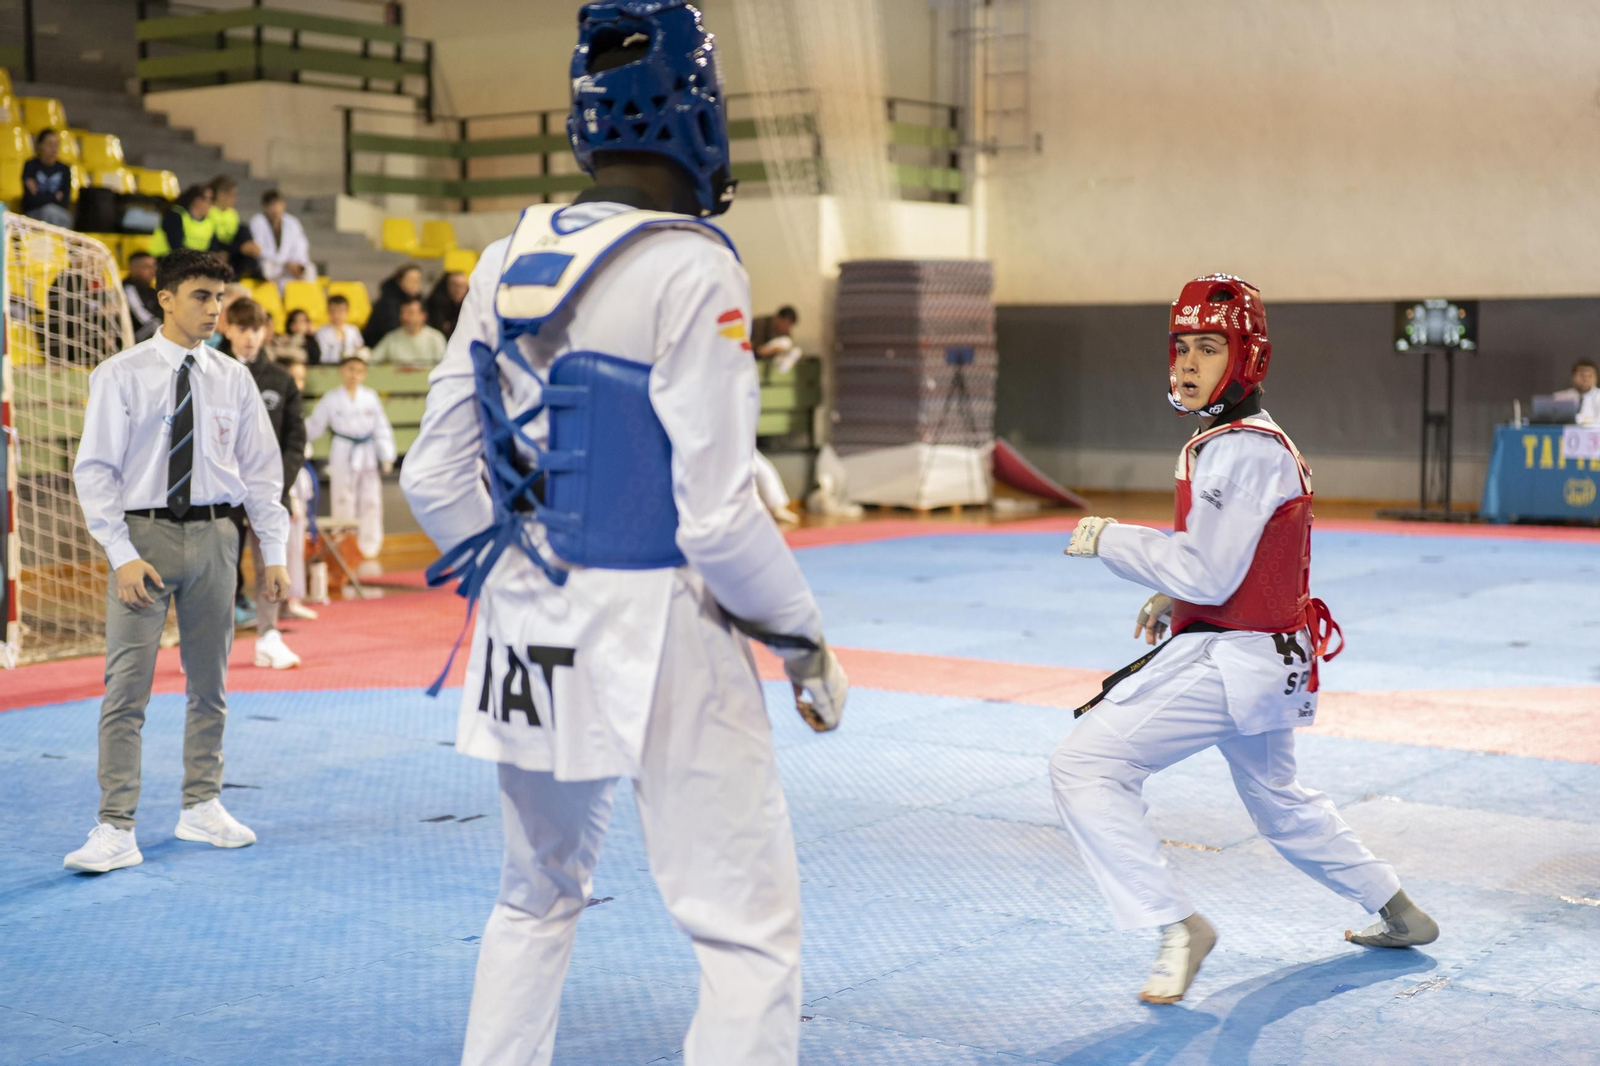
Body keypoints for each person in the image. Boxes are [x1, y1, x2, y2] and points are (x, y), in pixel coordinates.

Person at [400, 6, 848, 1064]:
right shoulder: (693, 266)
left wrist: (518, 580)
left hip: (524, 627)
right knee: (746, 932)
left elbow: (431, 474)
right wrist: (801, 636)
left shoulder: (503, 255)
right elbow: (719, 514)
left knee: (532, 899)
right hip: (660, 626)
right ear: (701, 115)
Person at [1052, 274, 1438, 1005]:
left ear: (1246, 357)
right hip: (1271, 658)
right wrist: (1175, 593)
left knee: (1084, 765)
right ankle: (1397, 908)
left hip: (1239, 663)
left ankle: (1176, 923)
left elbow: (1206, 566)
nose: (1188, 364)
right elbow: (1234, 563)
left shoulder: (1241, 450)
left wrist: (1111, 538)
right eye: (1181, 348)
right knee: (1280, 801)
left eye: (1208, 347)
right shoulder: (1240, 441)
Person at [65, 249, 290, 874]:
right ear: (165, 298)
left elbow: (262, 477)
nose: (214, 308)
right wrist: (120, 553)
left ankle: (201, 805)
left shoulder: (232, 377)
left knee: (210, 685)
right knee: (126, 688)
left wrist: (274, 553)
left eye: (219, 297)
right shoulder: (121, 374)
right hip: (144, 539)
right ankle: (115, 824)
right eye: (200, 296)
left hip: (219, 537)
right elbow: (95, 472)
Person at [218, 297, 307, 668]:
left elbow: (295, 440)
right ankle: (210, 643)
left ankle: (268, 635)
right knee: (219, 567)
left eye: (255, 329)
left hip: (267, 491)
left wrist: (276, 486)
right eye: (241, 328)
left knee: (270, 563)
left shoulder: (280, 380)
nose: (249, 337)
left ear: (265, 331)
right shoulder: (212, 372)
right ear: (227, 329)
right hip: (221, 491)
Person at [305, 351, 394, 562]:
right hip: (343, 450)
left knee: (371, 499)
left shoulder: (370, 397)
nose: (354, 375)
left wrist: (387, 455)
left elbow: (381, 427)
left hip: (367, 451)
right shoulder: (331, 398)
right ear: (342, 371)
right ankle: (344, 546)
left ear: (364, 374)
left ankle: (369, 546)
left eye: (359, 371)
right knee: (343, 497)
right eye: (351, 370)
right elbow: (315, 425)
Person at [279, 356, 319, 621]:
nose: (298, 384)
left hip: (298, 479)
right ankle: (282, 599)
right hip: (284, 482)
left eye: (302, 379)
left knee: (295, 544)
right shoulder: (276, 410)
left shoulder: (297, 408)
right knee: (284, 544)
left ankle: (292, 599)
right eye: (294, 377)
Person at [248, 189, 317, 286]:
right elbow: (259, 250)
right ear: (264, 206)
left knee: (310, 269)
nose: (275, 208)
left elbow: (301, 245)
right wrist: (285, 263)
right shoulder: (257, 222)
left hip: (291, 266)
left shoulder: (292, 222)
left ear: (284, 205)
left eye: (278, 204)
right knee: (266, 268)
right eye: (272, 205)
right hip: (272, 264)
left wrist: (295, 263)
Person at [206, 175, 263, 281]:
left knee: (244, 229)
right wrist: (240, 248)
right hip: (215, 248)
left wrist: (246, 246)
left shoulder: (232, 213)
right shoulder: (209, 211)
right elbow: (212, 238)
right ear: (221, 195)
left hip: (231, 249)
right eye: (232, 195)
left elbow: (235, 235)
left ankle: (253, 267)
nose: (235, 199)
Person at [371, 294, 447, 367]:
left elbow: (444, 366)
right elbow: (372, 361)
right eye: (402, 312)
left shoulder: (435, 338)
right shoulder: (391, 338)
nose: (405, 317)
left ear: (423, 316)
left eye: (410, 312)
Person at [149, 185, 219, 260]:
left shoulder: (209, 222)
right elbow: (176, 246)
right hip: (164, 259)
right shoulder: (175, 216)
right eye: (210, 200)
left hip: (191, 262)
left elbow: (213, 247)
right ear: (197, 200)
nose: (211, 204)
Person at [362, 262, 423, 348]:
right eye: (411, 280)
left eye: (418, 280)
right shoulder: (387, 303)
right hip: (380, 346)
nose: (415, 284)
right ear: (400, 282)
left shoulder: (419, 301)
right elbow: (391, 331)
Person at [22, 128, 73, 227]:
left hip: (58, 213)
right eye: (50, 144)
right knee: (48, 212)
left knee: (65, 216)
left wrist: (41, 197)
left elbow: (65, 202)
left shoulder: (64, 169)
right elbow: (31, 200)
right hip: (34, 213)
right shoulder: (30, 166)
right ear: (40, 145)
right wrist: (54, 197)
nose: (54, 149)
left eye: (56, 145)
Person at [123, 251, 163, 343]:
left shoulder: (152, 291)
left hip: (151, 334)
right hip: (133, 338)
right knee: (156, 324)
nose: (153, 271)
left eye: (154, 266)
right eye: (147, 267)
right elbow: (143, 318)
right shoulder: (128, 289)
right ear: (133, 268)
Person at [314, 295, 365, 364]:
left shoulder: (353, 330)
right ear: (328, 312)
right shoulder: (321, 332)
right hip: (328, 366)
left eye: (341, 311)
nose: (337, 315)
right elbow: (322, 355)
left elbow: (359, 349)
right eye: (333, 311)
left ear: (347, 312)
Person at [1555, 358, 1600, 425]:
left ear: (1596, 378)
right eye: (1582, 375)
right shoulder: (1560, 398)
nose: (1586, 379)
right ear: (1573, 377)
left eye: (1590, 376)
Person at [426, 270, 469, 337]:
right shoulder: (436, 305)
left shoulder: (470, 306)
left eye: (462, 286)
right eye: (455, 285)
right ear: (447, 286)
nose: (458, 290)